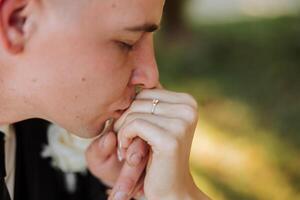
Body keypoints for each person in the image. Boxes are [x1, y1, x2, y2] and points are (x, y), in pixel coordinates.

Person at [0, 0, 210, 200]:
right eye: (127, 42)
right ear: (19, 22)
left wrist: (173, 195)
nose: (150, 75)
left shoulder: (102, 162)